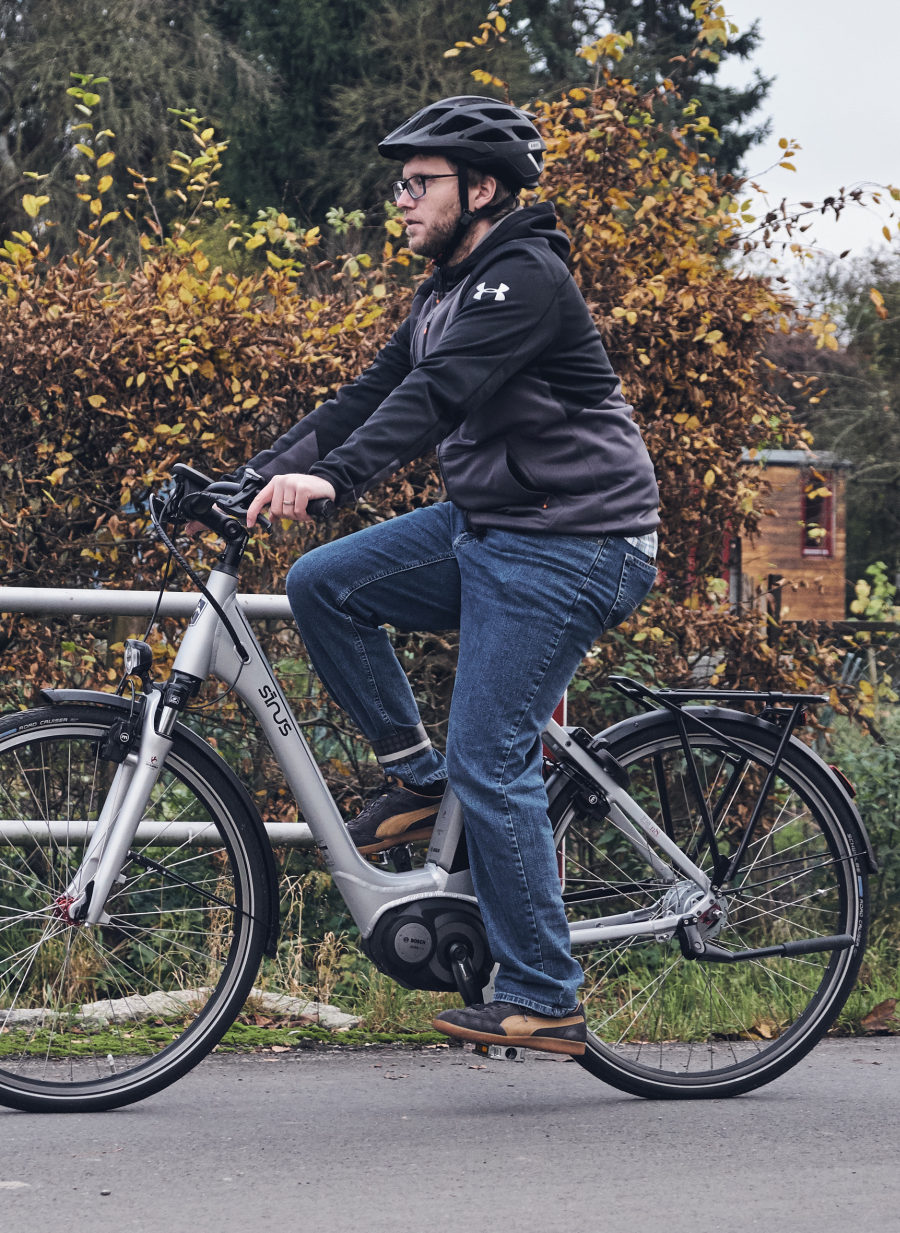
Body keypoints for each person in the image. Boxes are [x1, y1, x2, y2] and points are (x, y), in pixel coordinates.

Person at [241, 96, 660, 1056]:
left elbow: (436, 398)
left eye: (418, 182)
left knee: (493, 749)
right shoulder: (444, 289)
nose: (401, 199)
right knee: (325, 583)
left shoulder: (523, 277)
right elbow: (368, 397)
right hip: (498, 526)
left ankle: (546, 991)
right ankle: (418, 779)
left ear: (481, 188)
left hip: (576, 540)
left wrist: (332, 480)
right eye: (400, 183)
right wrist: (250, 477)